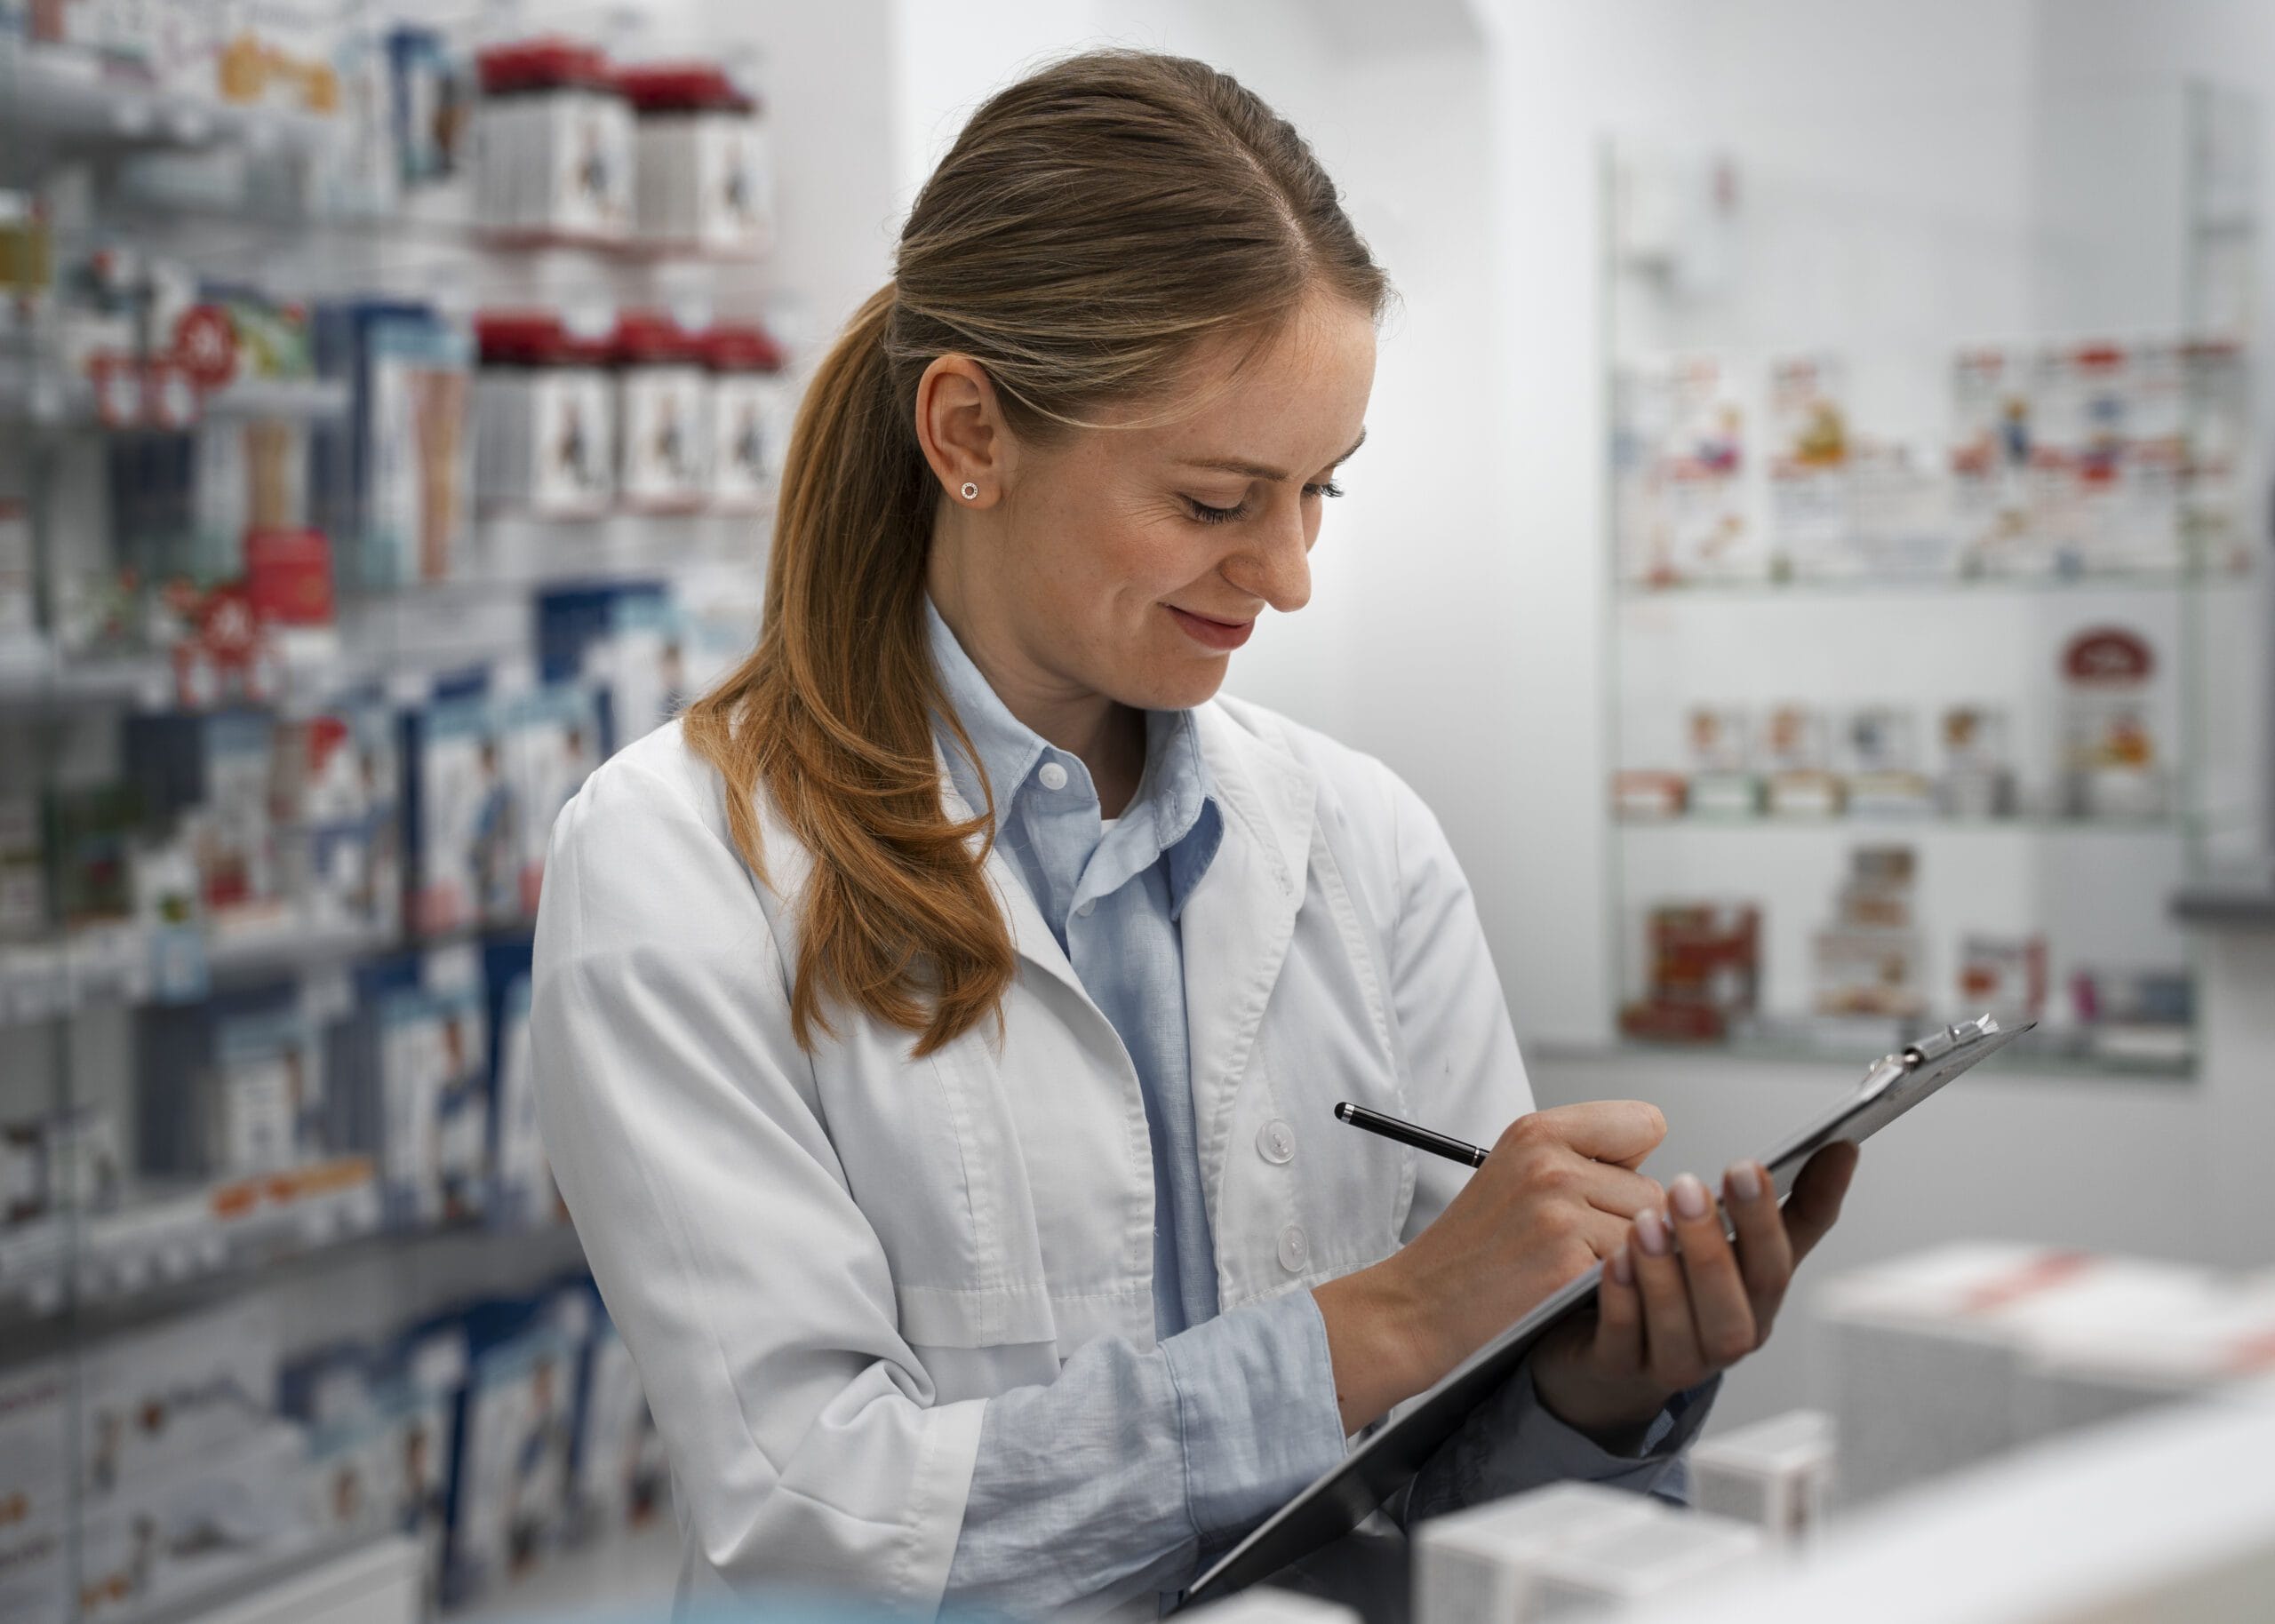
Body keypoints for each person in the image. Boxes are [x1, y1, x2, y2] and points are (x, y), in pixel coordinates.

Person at [531, 49, 1857, 1620]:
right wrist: (1377, 1325)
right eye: (1221, 501)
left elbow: (1429, 1489)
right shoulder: (681, 865)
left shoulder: (1361, 840)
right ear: (969, 431)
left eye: (1321, 496)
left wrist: (1590, 1387)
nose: (1288, 575)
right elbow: (818, 1502)